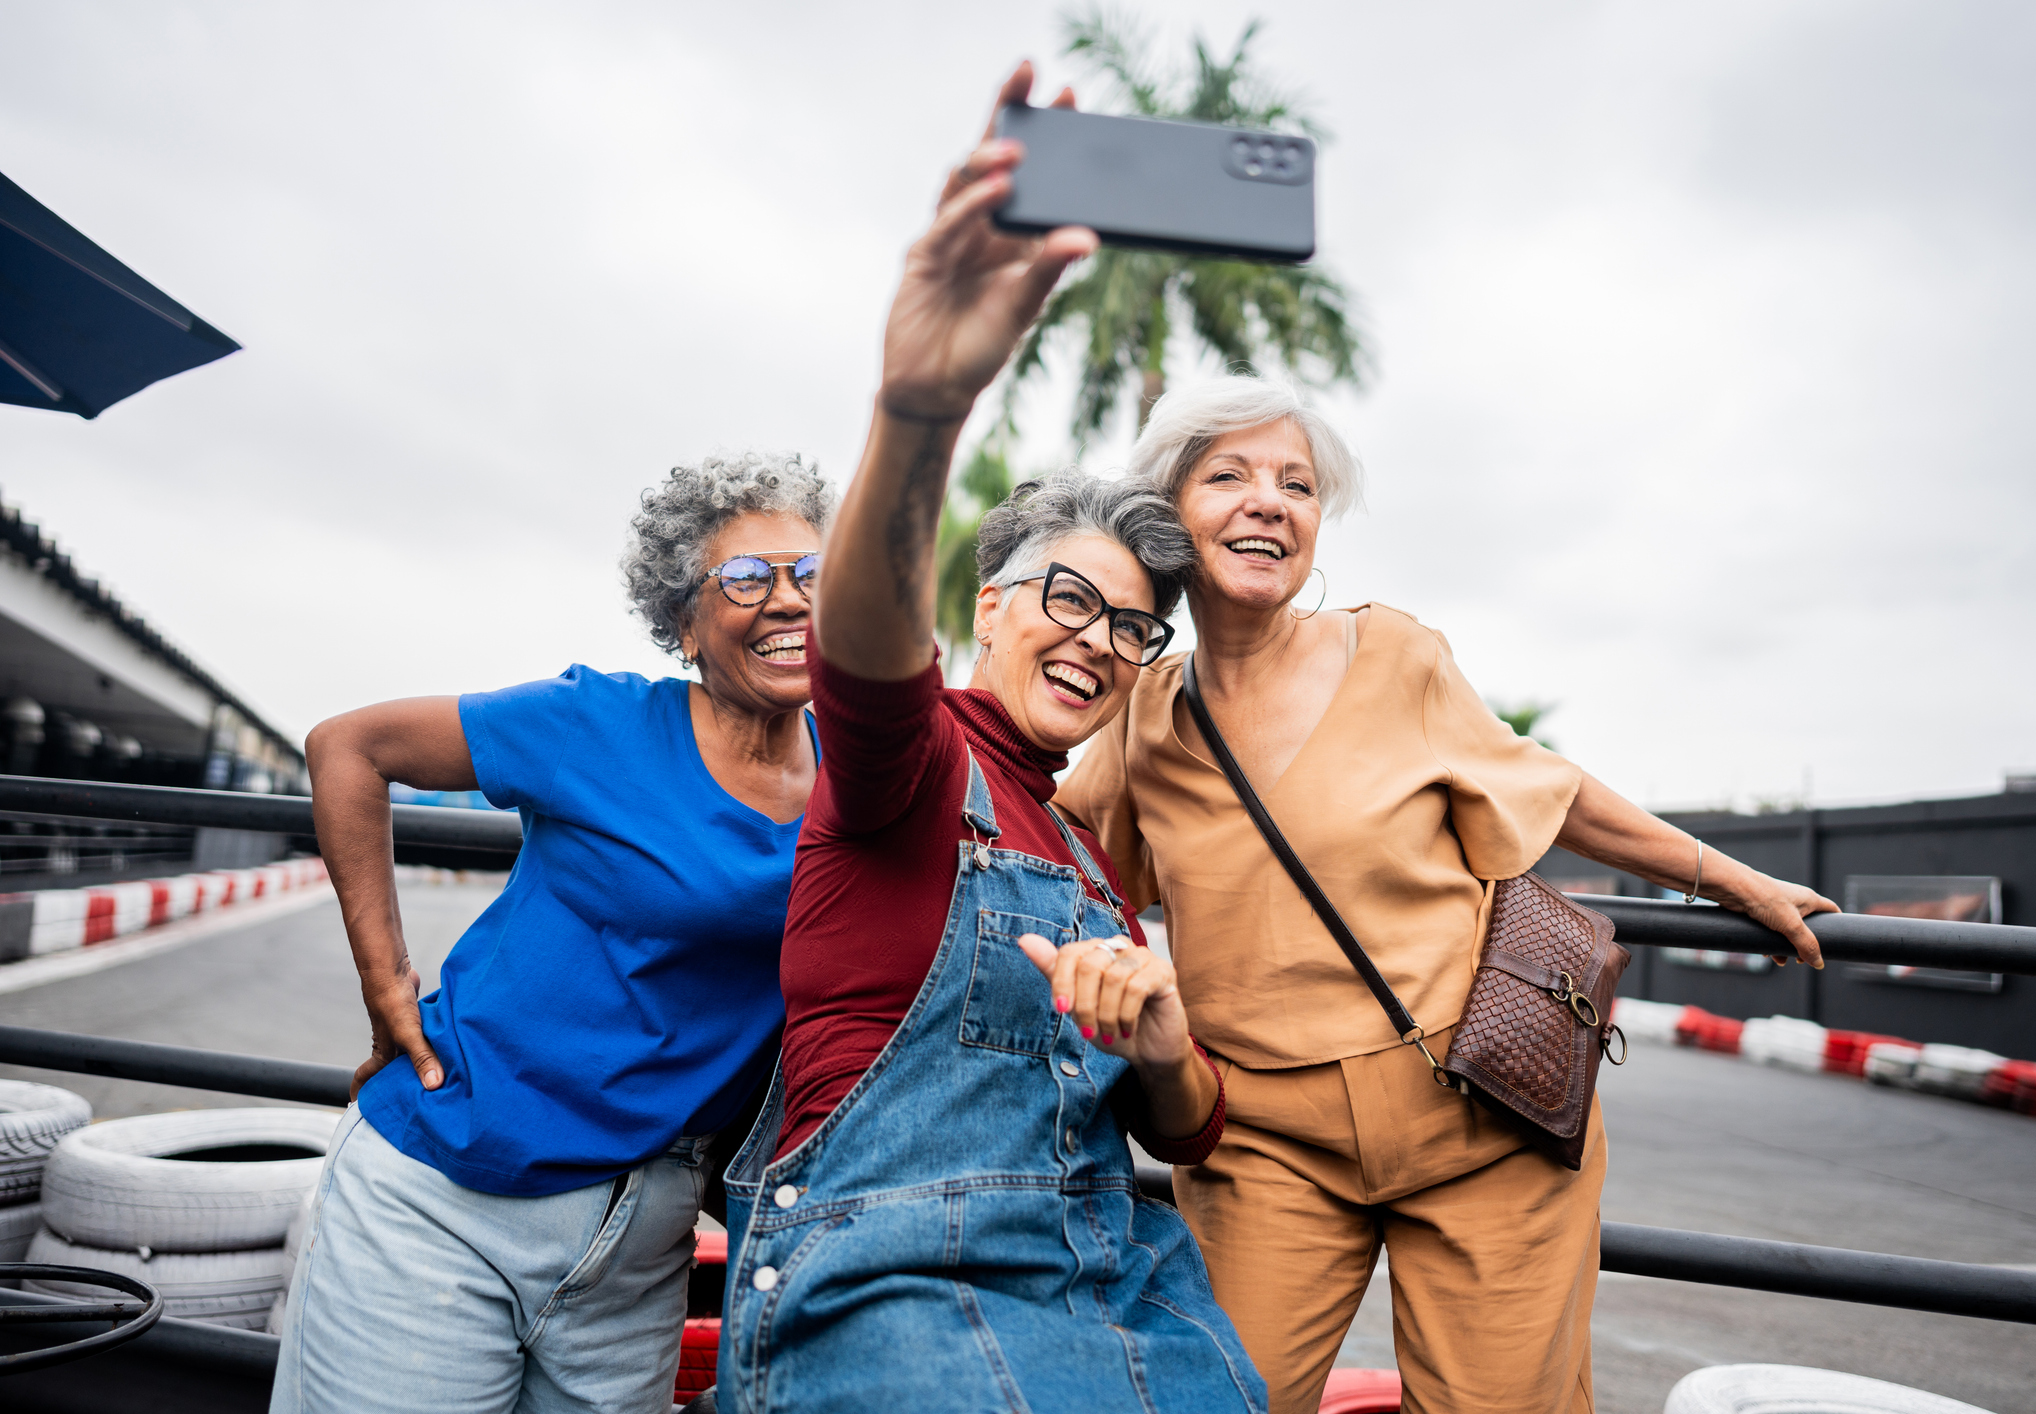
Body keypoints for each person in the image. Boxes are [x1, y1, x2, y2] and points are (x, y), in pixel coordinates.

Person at [1056, 375, 1840, 1414]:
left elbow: (1551, 791)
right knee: (1223, 1400)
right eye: (1229, 475)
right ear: (1169, 513)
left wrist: (1734, 880)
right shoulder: (1139, 714)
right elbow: (1041, 835)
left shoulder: (1395, 654)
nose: (1269, 501)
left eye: (1297, 484)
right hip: (1264, 1147)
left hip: (1479, 1116)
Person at [713, 65, 1266, 1414]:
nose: (1095, 639)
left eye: (1132, 628)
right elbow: (860, 650)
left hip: (1113, 1283)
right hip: (888, 1285)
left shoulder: (1087, 862)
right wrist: (921, 407)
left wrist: (1160, 1033)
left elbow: (1186, 1127)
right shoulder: (906, 770)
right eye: (1067, 597)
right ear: (986, 608)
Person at [274, 453, 834, 1414]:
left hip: (641, 1242)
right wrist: (387, 982)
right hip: (445, 1199)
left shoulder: (858, 777)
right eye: (745, 578)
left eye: (812, 575)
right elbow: (349, 747)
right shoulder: (595, 723)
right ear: (683, 621)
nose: (787, 600)